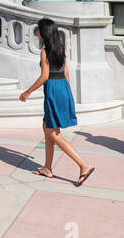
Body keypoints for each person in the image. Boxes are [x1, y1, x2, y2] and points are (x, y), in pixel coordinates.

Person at [19, 18, 95, 187]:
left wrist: (27, 92)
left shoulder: (45, 51)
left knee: (54, 134)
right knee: (47, 128)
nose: (37, 32)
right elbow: (66, 71)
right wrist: (68, 94)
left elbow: (45, 76)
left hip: (53, 88)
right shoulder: (60, 48)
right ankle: (47, 168)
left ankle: (84, 165)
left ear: (43, 33)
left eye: (38, 30)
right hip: (63, 87)